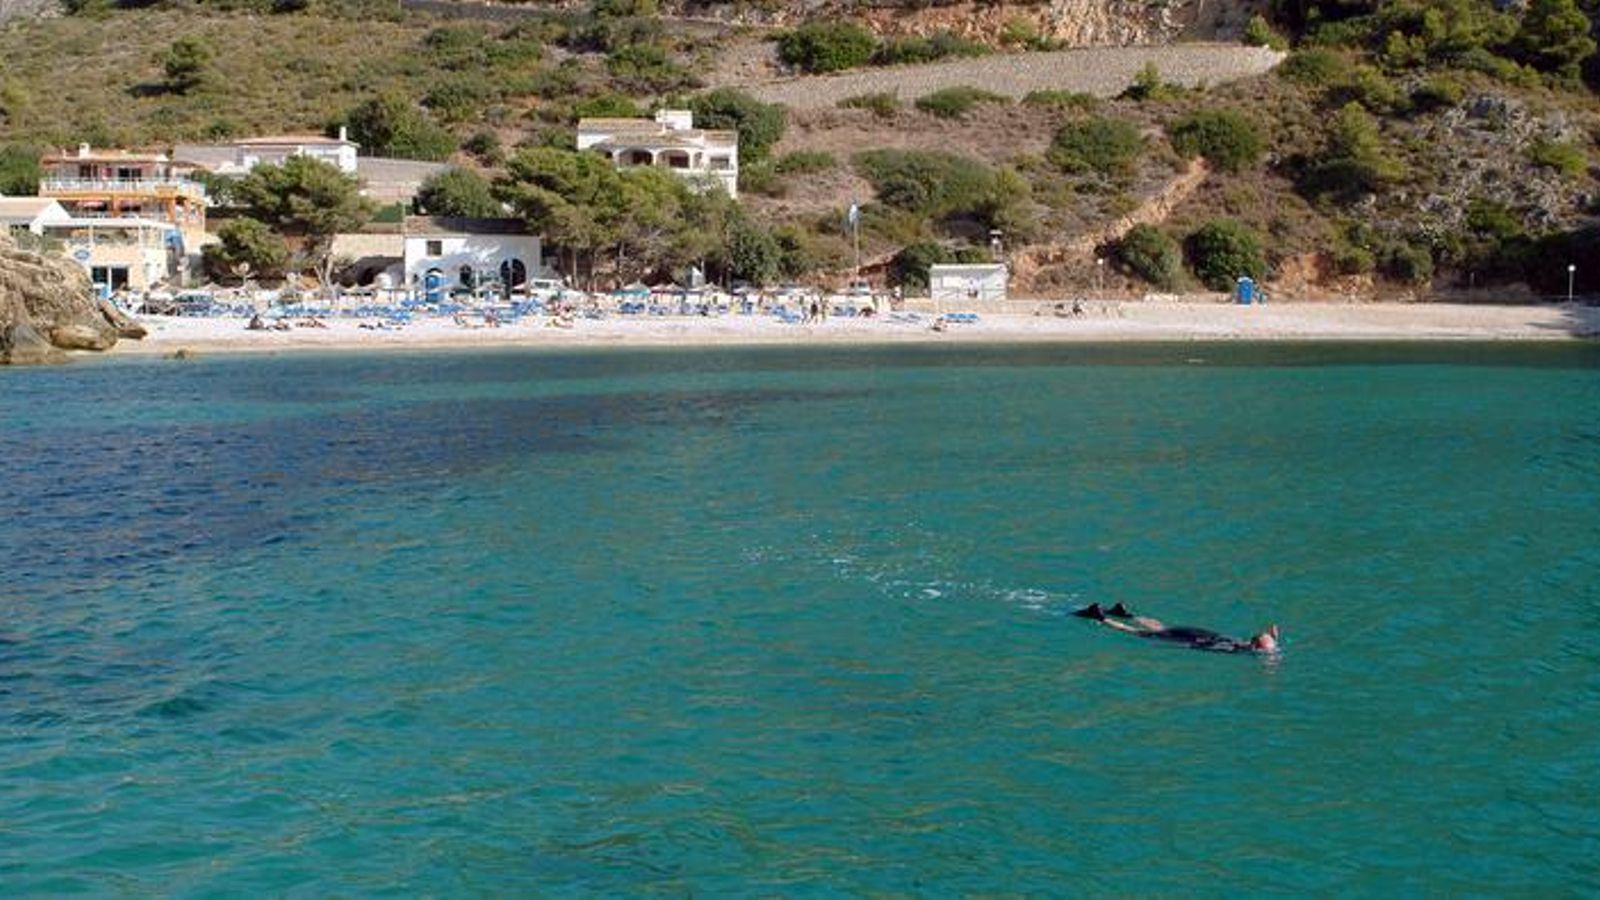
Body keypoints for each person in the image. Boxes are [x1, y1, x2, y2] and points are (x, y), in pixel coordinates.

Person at [1073, 602, 1279, 654]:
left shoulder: (1243, 642)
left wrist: (1271, 636)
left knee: (1162, 627)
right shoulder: (1239, 649)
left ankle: (1126, 614)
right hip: (1193, 639)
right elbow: (1202, 647)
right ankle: (1100, 617)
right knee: (1140, 634)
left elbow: (1264, 641)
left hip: (1195, 632)